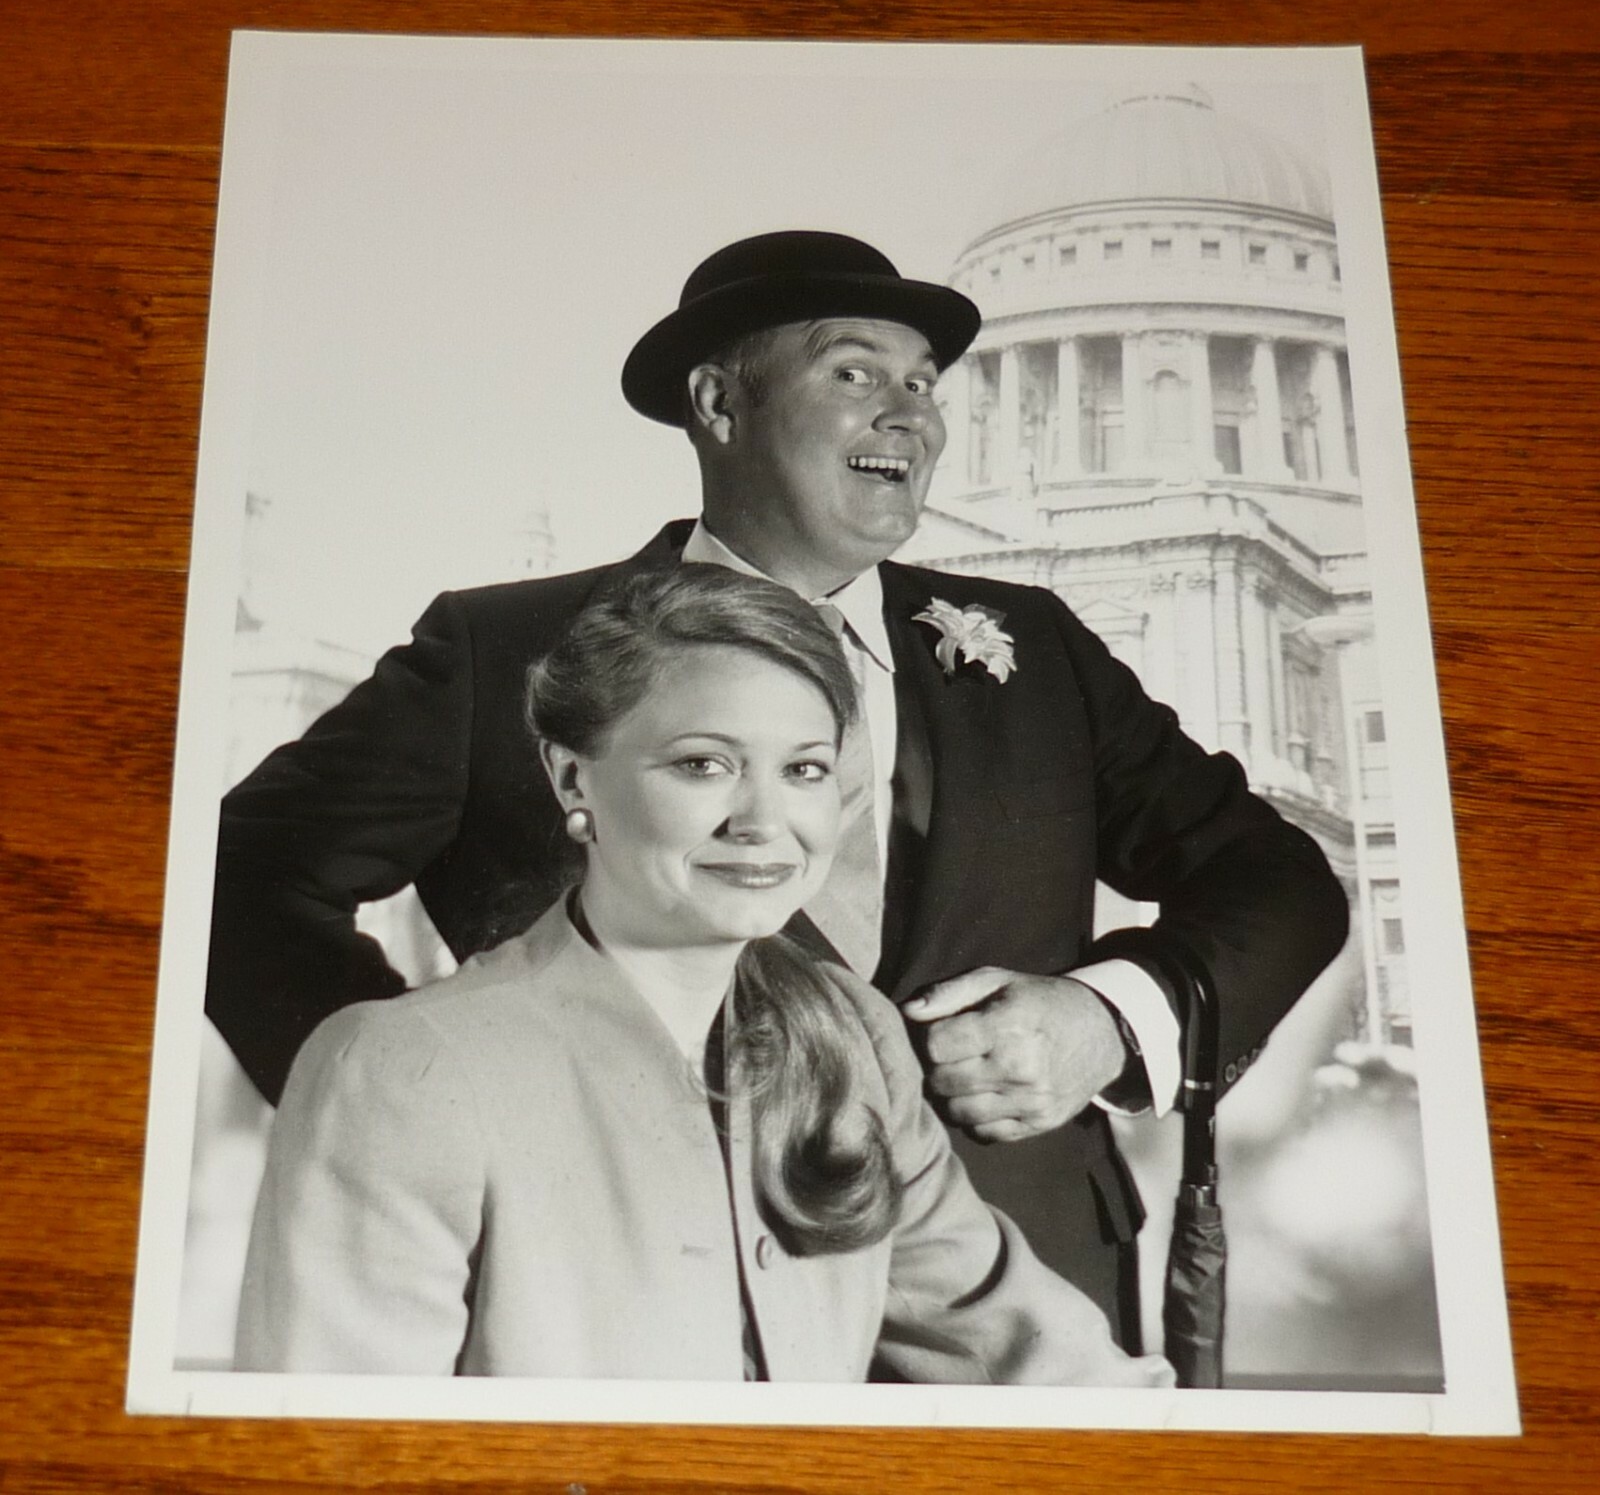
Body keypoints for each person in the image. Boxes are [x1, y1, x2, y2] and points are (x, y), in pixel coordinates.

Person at [209, 230, 1348, 1350]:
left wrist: (1104, 1017)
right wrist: (441, 1106)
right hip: (620, 1310)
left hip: (1021, 1313)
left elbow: (1278, 881)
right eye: (855, 372)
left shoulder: (1035, 648)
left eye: (923, 381)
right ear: (718, 403)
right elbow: (237, 882)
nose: (910, 412)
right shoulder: (503, 651)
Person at [234, 565, 1173, 1385]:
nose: (764, 821)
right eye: (703, 764)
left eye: (804, 769)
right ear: (573, 781)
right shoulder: (396, 1069)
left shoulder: (850, 1037)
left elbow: (1032, 1354)